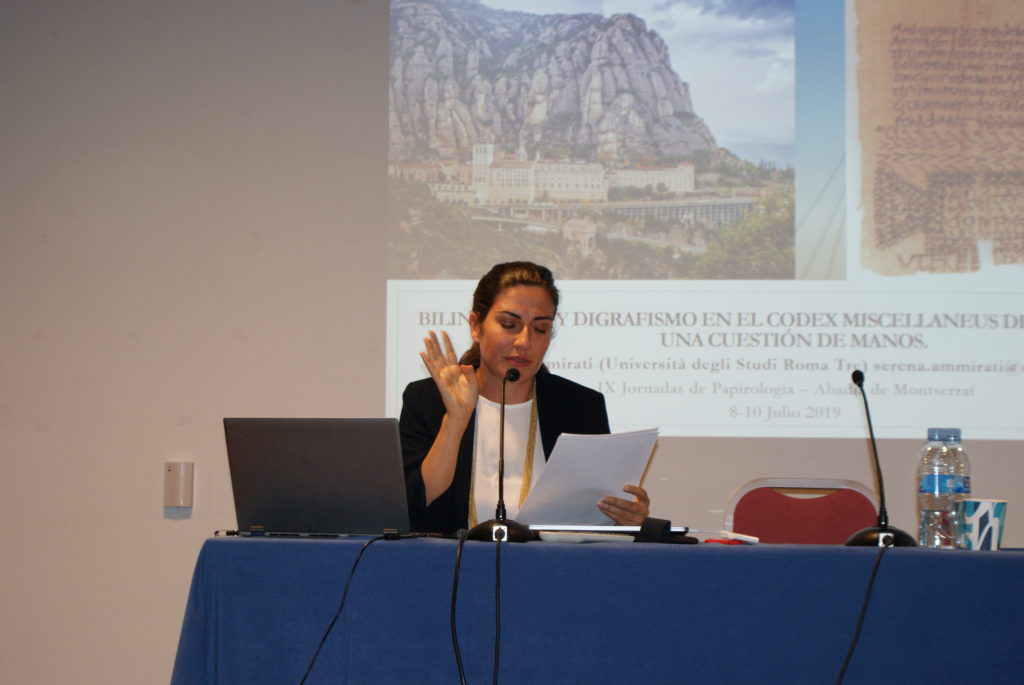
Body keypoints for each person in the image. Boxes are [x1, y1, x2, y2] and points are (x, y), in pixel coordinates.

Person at [399, 261, 650, 535]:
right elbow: (413, 506)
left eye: (540, 329)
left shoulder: (580, 407)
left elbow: (593, 518)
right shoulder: (427, 399)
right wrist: (455, 419)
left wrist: (623, 518)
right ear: (476, 326)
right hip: (451, 560)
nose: (524, 342)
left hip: (549, 561)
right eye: (509, 325)